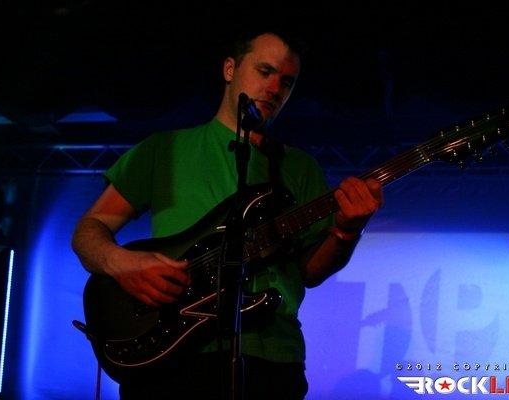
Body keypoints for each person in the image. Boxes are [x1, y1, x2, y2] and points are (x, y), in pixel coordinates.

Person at [72, 28, 383, 400]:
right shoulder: (164, 149)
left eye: (287, 82)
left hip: (272, 357)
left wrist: (346, 232)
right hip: (172, 355)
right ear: (230, 69)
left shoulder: (300, 167)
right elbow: (90, 228)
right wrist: (122, 263)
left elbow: (310, 271)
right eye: (265, 71)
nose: (275, 88)